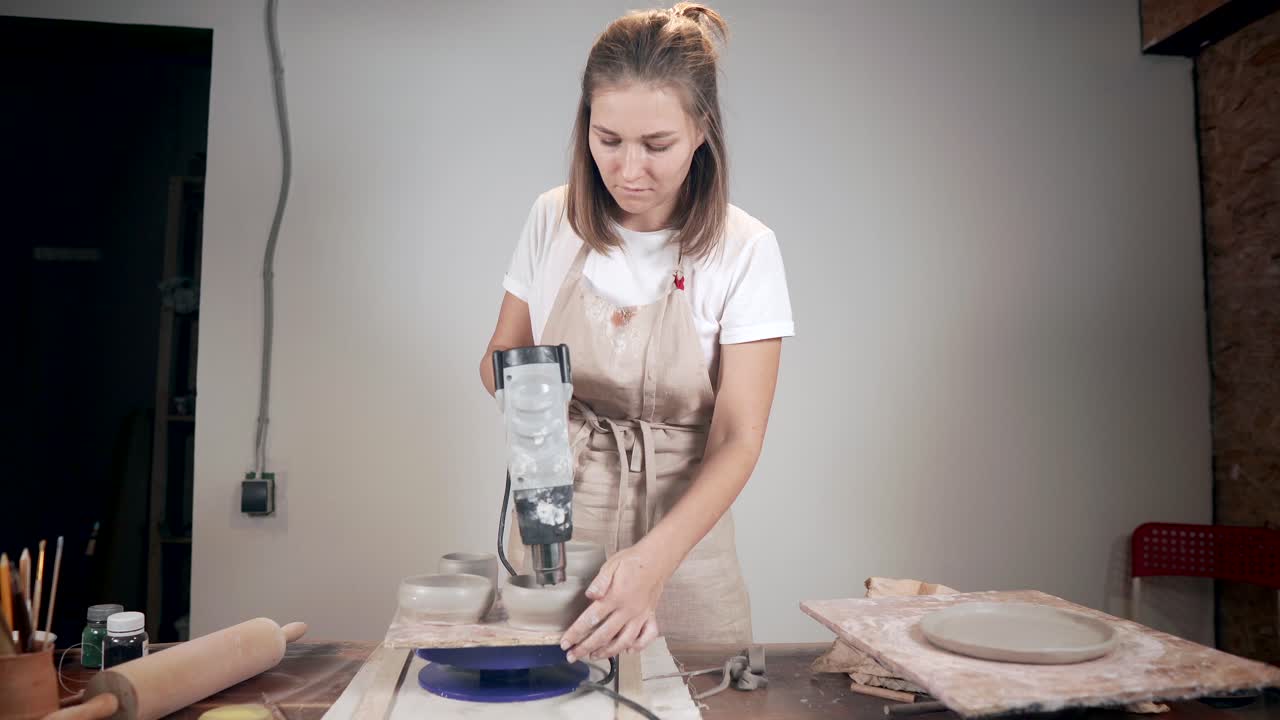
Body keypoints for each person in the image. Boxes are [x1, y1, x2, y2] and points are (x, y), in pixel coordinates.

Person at [479, 2, 793, 664]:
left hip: (682, 539)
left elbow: (739, 437)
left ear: (702, 131)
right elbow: (499, 357)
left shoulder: (744, 249)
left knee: (696, 697)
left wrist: (652, 564)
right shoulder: (551, 219)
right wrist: (536, 428)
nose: (627, 171)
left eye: (657, 146)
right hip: (553, 521)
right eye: (607, 140)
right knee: (543, 697)